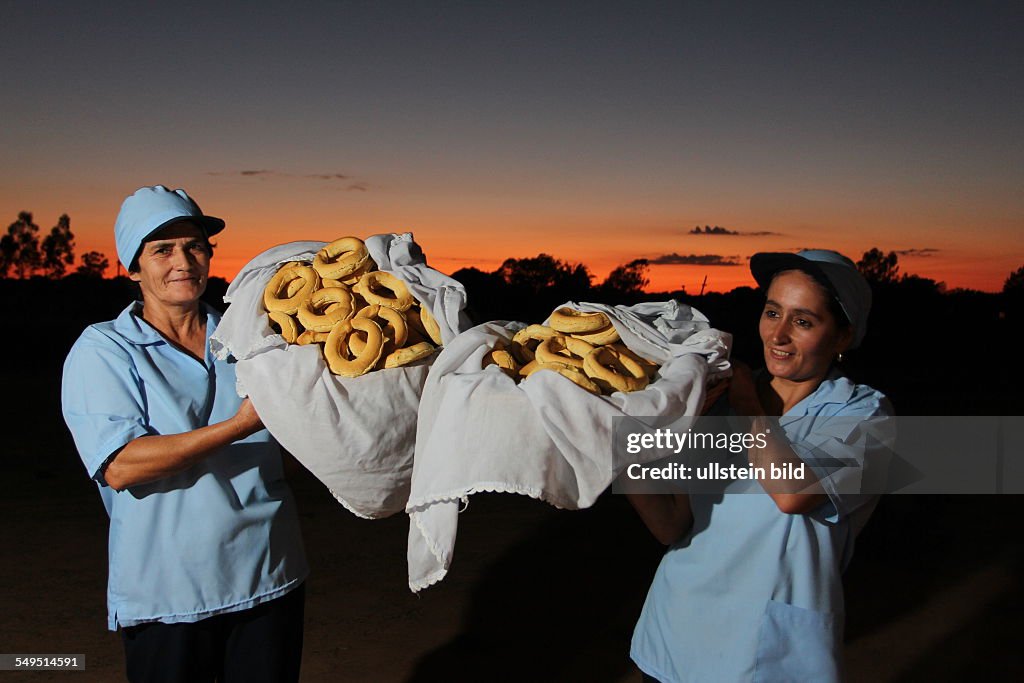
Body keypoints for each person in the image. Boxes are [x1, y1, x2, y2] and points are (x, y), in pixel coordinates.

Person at [61, 186, 308, 683]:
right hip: (169, 590)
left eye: (195, 246)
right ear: (133, 267)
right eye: (162, 250)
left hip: (269, 572)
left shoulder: (251, 339)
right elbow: (121, 465)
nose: (184, 261)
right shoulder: (106, 349)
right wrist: (240, 425)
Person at [628, 249, 894, 682]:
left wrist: (748, 403)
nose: (779, 335)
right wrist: (621, 450)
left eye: (803, 321)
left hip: (769, 653)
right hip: (674, 635)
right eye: (773, 312)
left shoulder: (863, 413)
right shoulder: (712, 402)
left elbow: (793, 494)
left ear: (842, 337)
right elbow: (672, 526)